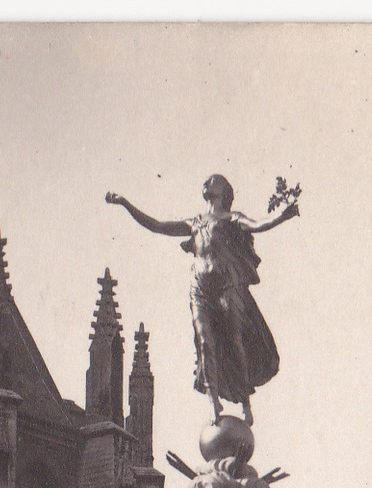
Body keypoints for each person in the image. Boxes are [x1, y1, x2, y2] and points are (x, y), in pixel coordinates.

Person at [106, 176, 300, 425]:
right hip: (199, 289)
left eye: (214, 181)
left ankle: (244, 400)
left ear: (224, 191)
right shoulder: (195, 222)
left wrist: (282, 216)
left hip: (226, 286)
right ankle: (213, 403)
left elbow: (259, 224)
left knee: (234, 341)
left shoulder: (231, 218)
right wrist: (125, 203)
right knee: (204, 341)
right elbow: (156, 225)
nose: (208, 182)